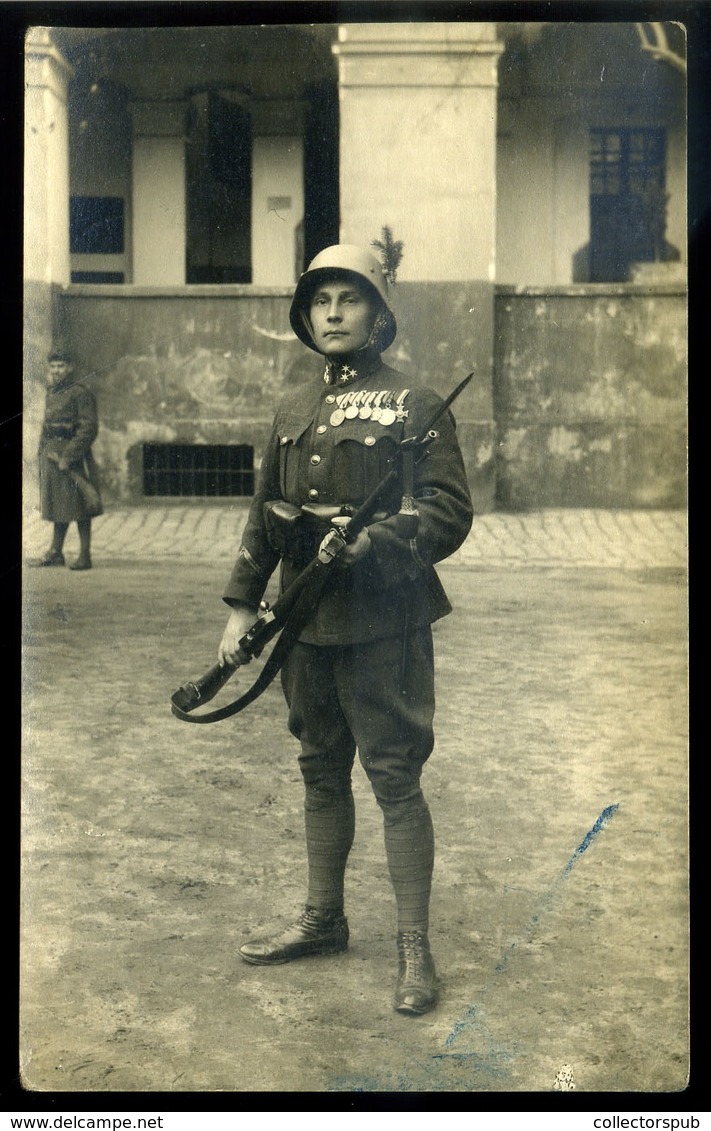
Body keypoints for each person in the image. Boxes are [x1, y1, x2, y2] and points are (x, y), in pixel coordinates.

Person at [218, 245, 473, 1015]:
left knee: (393, 776)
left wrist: (373, 543)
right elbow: (266, 510)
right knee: (318, 765)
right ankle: (323, 918)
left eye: (349, 298)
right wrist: (240, 604)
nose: (332, 311)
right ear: (304, 316)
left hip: (384, 618)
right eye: (319, 299)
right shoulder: (291, 408)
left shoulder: (416, 403)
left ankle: (413, 948)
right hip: (304, 616)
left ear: (378, 312)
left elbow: (448, 511)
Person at [32, 347, 103, 571]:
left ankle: (85, 555)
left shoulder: (80, 392)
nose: (56, 371)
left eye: (61, 366)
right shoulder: (51, 391)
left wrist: (70, 455)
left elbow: (88, 428)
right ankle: (55, 551)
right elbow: (46, 425)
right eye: (53, 366)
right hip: (52, 454)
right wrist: (41, 452)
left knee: (81, 503)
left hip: (72, 454)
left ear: (70, 368)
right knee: (58, 503)